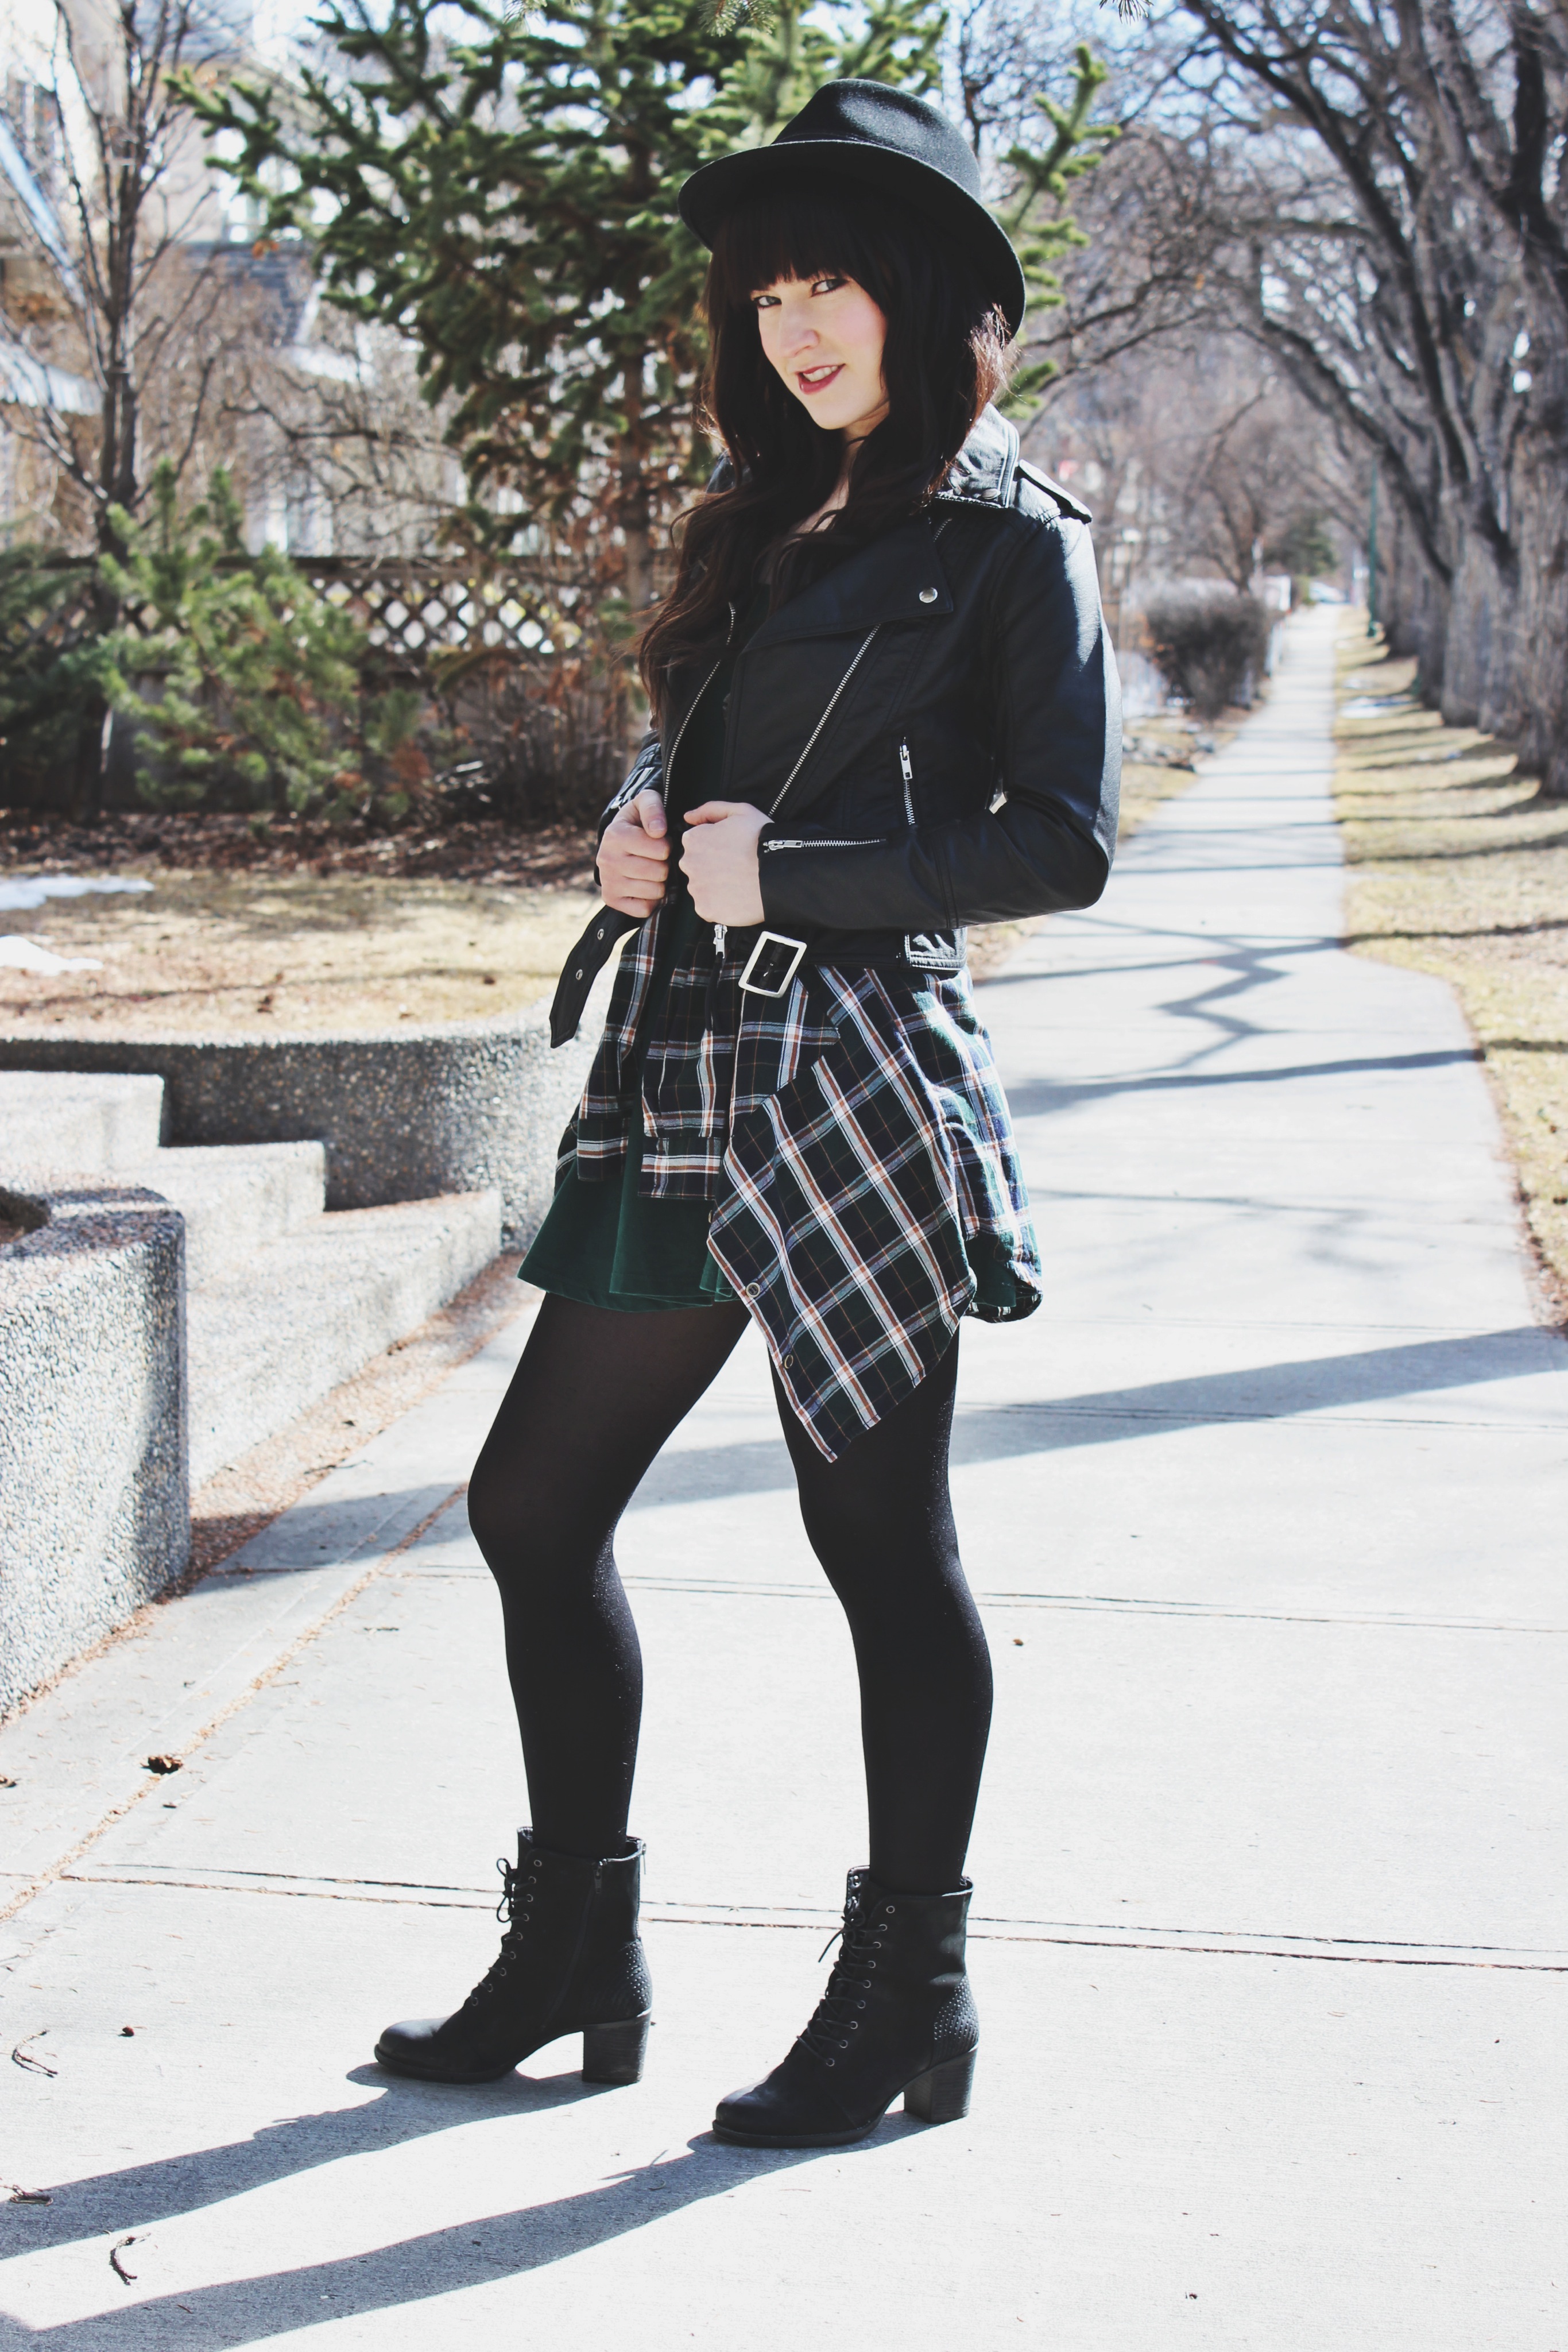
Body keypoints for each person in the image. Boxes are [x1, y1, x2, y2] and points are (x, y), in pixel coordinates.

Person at [375, 78, 1120, 2149]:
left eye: (836, 287)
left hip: (852, 1072)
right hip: (683, 1061)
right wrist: (638, 821)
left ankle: (908, 1996)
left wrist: (788, 876)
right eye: (770, 291)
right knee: (534, 1511)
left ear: (929, 297)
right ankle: (571, 1952)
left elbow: (1058, 840)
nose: (796, 327)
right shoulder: (765, 501)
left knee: (877, 1542)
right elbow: (709, 749)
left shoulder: (1010, 537)